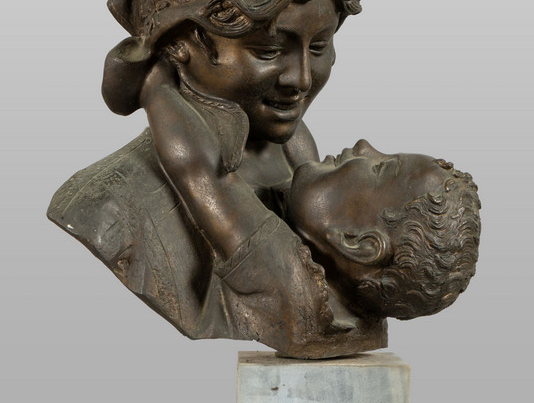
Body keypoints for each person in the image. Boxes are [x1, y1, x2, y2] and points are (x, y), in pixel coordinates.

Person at [49, 0, 391, 357]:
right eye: (268, 50)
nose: (300, 79)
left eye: (319, 47)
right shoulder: (108, 203)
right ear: (180, 44)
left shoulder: (308, 167)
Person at [140, 60, 480, 359]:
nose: (365, 146)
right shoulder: (323, 224)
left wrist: (155, 84)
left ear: (357, 242)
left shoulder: (289, 280)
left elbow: (200, 172)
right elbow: (293, 142)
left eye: (380, 168)